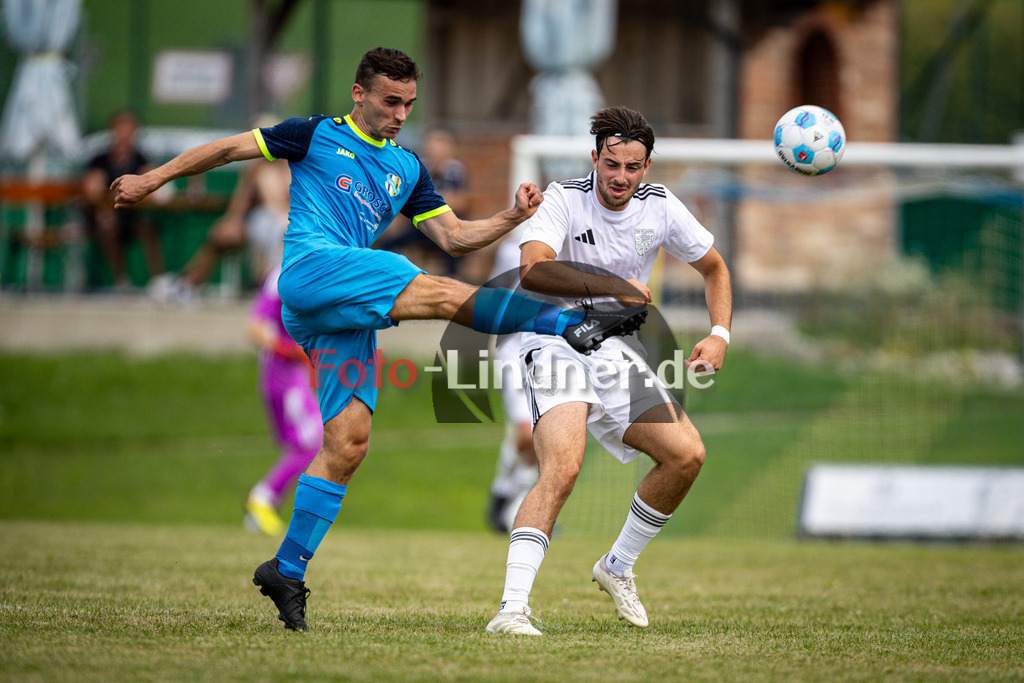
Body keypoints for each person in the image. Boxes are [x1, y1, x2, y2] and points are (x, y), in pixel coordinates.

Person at [111, 47, 648, 632]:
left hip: (336, 313)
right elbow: (225, 148)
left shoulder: (408, 168)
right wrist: (152, 178)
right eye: (390, 102)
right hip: (313, 270)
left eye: (408, 104)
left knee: (348, 442)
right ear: (358, 94)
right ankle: (570, 324)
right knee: (440, 294)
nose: (399, 113)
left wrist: (510, 218)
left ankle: (286, 569)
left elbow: (456, 236)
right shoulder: (312, 134)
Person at [484, 106, 733, 636]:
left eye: (633, 167)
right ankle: (511, 610)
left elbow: (714, 267)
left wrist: (719, 333)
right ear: (595, 157)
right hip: (552, 341)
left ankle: (617, 566)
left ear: (646, 167)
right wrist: (613, 286)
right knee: (564, 467)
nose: (620, 177)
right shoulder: (563, 198)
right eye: (612, 164)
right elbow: (534, 270)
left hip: (614, 350)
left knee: (686, 455)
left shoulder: (661, 207)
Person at [149, 116, 292, 303]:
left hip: (289, 223)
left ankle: (274, 293)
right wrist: (232, 219)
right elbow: (242, 199)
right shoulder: (255, 169)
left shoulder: (292, 164)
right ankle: (188, 283)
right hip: (261, 223)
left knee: (280, 234)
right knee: (220, 235)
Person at [243, 266, 323, 536]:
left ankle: (260, 513)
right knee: (313, 441)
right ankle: (263, 498)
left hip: (293, 377)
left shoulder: (311, 271)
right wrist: (288, 350)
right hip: (282, 378)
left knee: (308, 443)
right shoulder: (282, 275)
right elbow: (254, 327)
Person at [485, 230, 537, 533]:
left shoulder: (574, 242)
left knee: (542, 437)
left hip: (555, 353)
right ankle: (502, 491)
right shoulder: (512, 248)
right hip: (514, 349)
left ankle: (515, 507)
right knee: (526, 433)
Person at [82, 110, 164, 290]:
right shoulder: (100, 159)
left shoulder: (140, 158)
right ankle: (121, 279)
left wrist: (123, 196)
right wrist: (115, 199)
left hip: (132, 216)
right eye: (120, 128)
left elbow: (152, 187)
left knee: (148, 228)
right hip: (106, 215)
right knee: (107, 224)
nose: (124, 133)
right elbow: (92, 192)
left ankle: (158, 281)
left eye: (129, 129)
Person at [376, 127, 469, 276]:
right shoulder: (419, 166)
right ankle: (383, 277)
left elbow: (460, 201)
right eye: (433, 142)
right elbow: (402, 198)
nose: (437, 147)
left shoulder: (455, 170)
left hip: (446, 225)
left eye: (442, 142)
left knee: (456, 249)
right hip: (419, 225)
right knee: (388, 244)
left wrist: (425, 199)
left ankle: (452, 284)